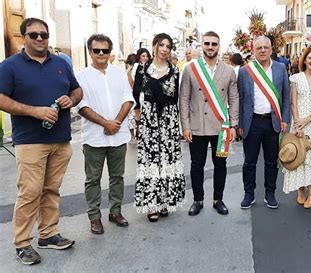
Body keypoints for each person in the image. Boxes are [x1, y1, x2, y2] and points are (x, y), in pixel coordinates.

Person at [0, 17, 82, 265]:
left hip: (60, 139)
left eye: (43, 35)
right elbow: (1, 99)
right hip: (30, 141)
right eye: (34, 34)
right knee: (30, 192)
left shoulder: (61, 63)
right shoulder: (10, 66)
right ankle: (22, 243)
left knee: (51, 190)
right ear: (23, 37)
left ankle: (47, 234)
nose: (39, 39)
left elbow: (77, 90)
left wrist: (71, 99)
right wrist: (34, 111)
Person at [77, 34, 134, 234]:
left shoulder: (119, 73)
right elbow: (80, 105)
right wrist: (104, 123)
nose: (101, 54)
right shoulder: (81, 76)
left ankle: (115, 211)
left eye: (105, 50)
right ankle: (94, 216)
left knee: (117, 176)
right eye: (96, 50)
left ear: (110, 52)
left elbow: (128, 98)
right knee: (93, 179)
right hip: (94, 137)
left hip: (119, 136)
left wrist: (116, 123)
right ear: (90, 52)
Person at [180, 31, 239, 216]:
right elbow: (184, 98)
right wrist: (186, 126)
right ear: (202, 45)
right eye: (207, 43)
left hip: (221, 127)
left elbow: (234, 99)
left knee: (220, 164)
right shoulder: (191, 69)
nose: (210, 47)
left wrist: (234, 125)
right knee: (197, 164)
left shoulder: (228, 71)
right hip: (197, 127)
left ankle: (218, 199)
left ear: (219, 46)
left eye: (214, 43)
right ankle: (198, 200)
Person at [134, 33, 186, 221]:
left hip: (169, 121)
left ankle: (165, 201)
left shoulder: (175, 71)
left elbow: (176, 96)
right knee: (151, 161)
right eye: (161, 45)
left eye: (168, 46)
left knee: (167, 160)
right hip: (150, 121)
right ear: (154, 46)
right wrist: (140, 114)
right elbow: (136, 93)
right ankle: (151, 204)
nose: (165, 49)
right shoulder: (142, 69)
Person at [237, 36, 291, 209]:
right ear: (253, 50)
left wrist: (285, 119)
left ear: (271, 49)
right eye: (258, 47)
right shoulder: (245, 71)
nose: (262, 50)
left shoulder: (281, 68)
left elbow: (286, 95)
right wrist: (239, 123)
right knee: (249, 162)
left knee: (271, 161)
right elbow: (240, 97)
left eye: (265, 47)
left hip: (272, 122)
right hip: (251, 122)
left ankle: (270, 193)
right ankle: (249, 193)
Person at [282, 46, 311, 209]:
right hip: (298, 123)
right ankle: (300, 191)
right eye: (310, 58)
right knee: (298, 155)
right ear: (304, 60)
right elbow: (293, 102)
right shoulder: (295, 78)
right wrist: (297, 123)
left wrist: (307, 119)